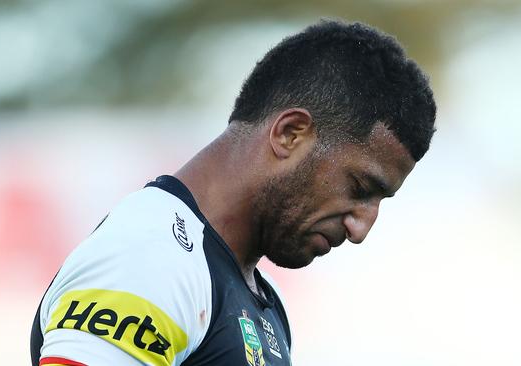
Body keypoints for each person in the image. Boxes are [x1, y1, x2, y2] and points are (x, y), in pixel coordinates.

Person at [30, 19, 436, 366]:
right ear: (290, 133)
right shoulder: (152, 257)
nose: (361, 226)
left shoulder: (258, 298)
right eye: (360, 187)